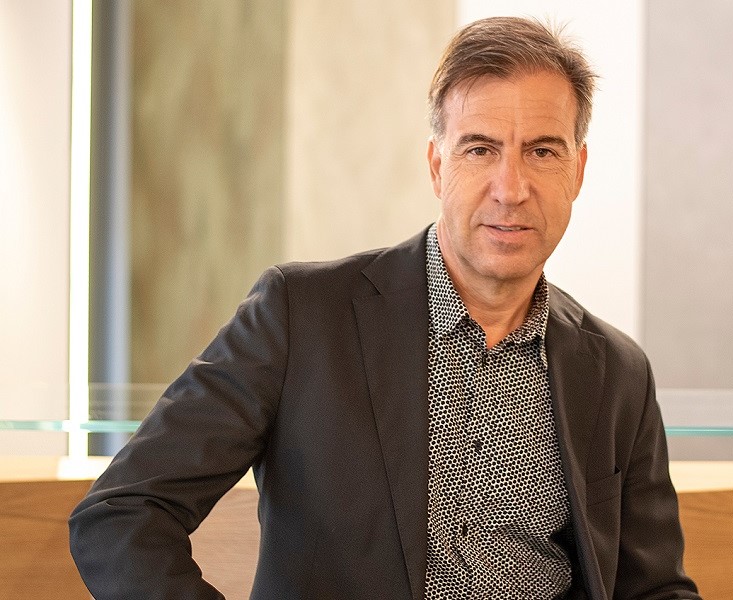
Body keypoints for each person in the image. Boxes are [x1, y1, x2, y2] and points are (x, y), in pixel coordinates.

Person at [70, 16, 701, 600]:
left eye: (542, 151)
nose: (511, 189)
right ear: (437, 166)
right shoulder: (300, 318)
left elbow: (654, 590)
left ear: (578, 171)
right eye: (480, 149)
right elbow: (121, 515)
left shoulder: (618, 372)